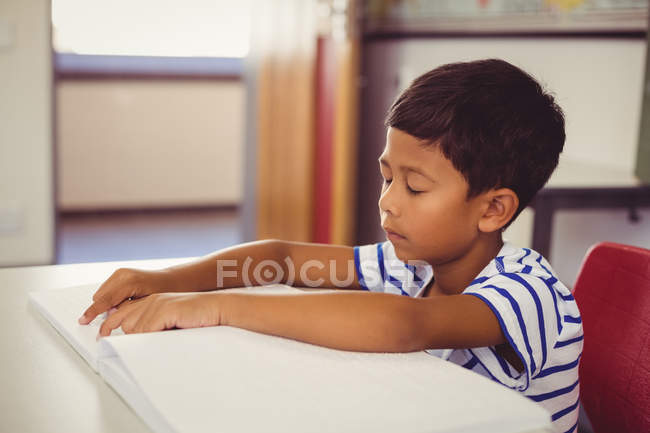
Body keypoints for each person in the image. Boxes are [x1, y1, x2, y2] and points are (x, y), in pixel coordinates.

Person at [79, 58, 582, 433]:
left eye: (415, 187)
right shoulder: (409, 266)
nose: (388, 203)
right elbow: (280, 261)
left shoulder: (530, 293)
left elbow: (404, 326)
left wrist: (216, 308)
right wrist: (169, 281)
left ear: (493, 209)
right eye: (387, 178)